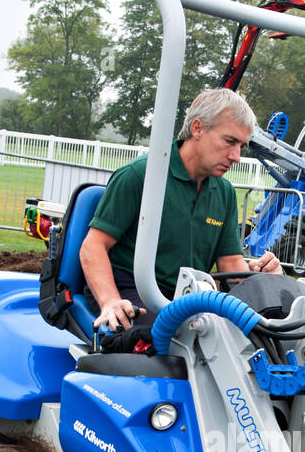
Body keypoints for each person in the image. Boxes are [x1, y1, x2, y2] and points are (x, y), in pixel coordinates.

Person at [80, 88, 282, 331]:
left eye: (242, 145)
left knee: (258, 333)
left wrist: (261, 276)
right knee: (176, 340)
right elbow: (93, 246)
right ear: (197, 128)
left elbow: (230, 264)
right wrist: (111, 301)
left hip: (189, 297)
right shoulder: (140, 176)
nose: (236, 156)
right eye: (230, 141)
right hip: (130, 290)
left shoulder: (224, 192)